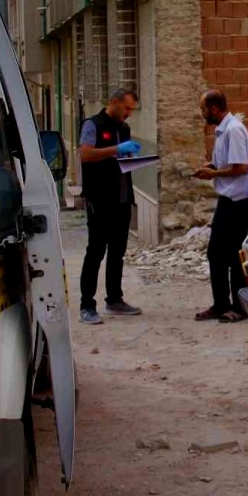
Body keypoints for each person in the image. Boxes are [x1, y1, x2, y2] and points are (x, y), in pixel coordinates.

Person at [77, 87, 144, 324]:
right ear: (113, 102)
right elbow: (85, 155)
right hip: (100, 198)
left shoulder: (123, 128)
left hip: (122, 198)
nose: (128, 114)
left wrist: (131, 157)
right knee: (96, 251)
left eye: (131, 110)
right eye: (126, 108)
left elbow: (119, 160)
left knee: (118, 252)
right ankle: (87, 305)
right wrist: (116, 150)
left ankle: (114, 299)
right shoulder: (92, 125)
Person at [192, 90, 248, 323]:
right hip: (226, 202)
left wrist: (213, 174)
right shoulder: (222, 130)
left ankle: (238, 308)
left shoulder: (234, 130)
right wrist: (210, 167)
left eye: (203, 109)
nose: (202, 114)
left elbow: (241, 168)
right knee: (215, 255)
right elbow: (226, 163)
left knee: (233, 257)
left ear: (214, 109)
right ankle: (220, 305)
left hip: (237, 203)